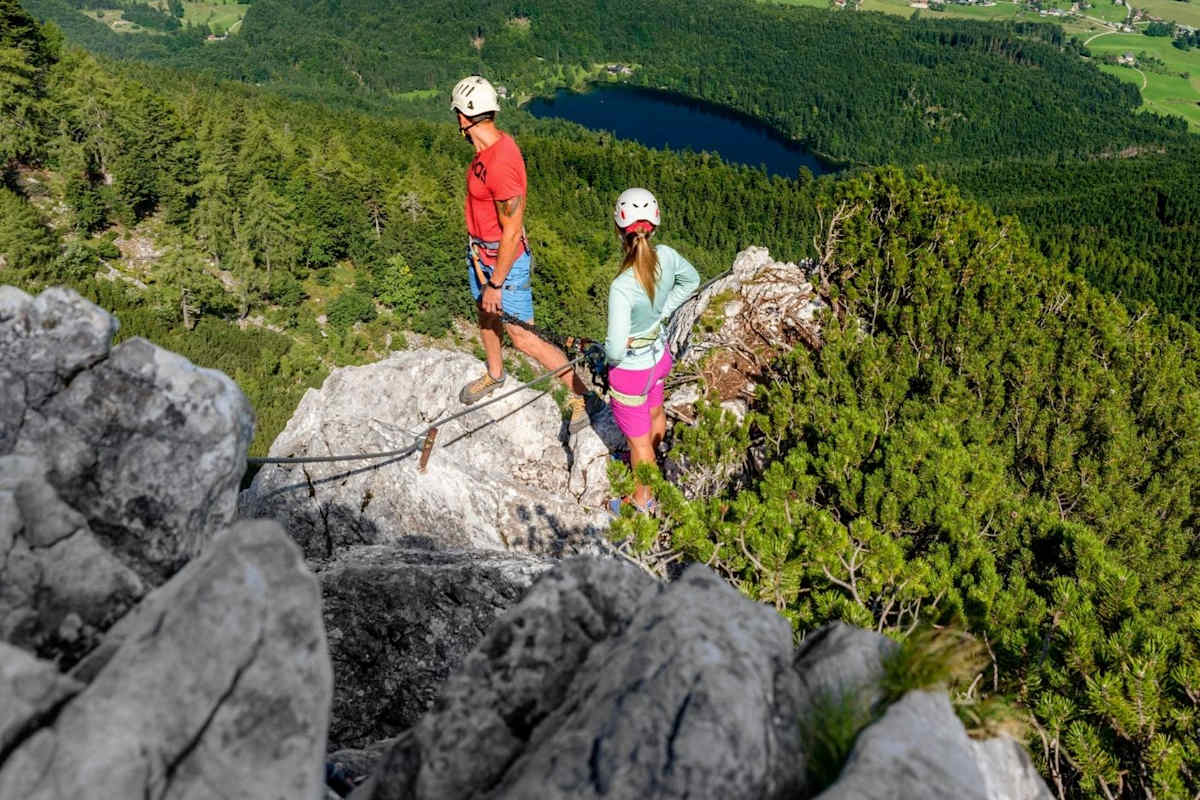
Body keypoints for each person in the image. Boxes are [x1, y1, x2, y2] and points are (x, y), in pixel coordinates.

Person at [450, 75, 592, 433]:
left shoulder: (500, 161)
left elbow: (512, 229)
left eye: (456, 113)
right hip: (482, 255)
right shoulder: (487, 151)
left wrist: (495, 282)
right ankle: (495, 374)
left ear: (465, 117)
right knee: (485, 317)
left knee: (524, 337)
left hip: (502, 265)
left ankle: (579, 394)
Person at [605, 187, 699, 515]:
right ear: (655, 226)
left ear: (620, 229)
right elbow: (692, 281)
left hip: (631, 373)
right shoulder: (669, 257)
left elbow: (615, 349)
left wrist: (609, 354)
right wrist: (662, 314)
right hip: (660, 358)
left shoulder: (622, 287)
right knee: (655, 412)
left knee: (637, 442)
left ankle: (642, 500)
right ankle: (652, 461)